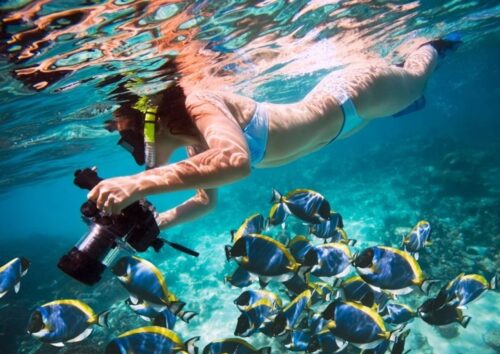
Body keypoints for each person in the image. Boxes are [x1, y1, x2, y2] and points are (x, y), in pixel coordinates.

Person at [88, 36, 460, 229]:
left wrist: (140, 184)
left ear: (151, 120)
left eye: (128, 137)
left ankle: (433, 45)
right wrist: (159, 220)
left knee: (417, 80)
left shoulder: (199, 103)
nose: (132, 149)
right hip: (344, 128)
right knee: (400, 103)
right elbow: (205, 201)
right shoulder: (195, 150)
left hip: (355, 97)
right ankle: (403, 103)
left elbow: (236, 162)